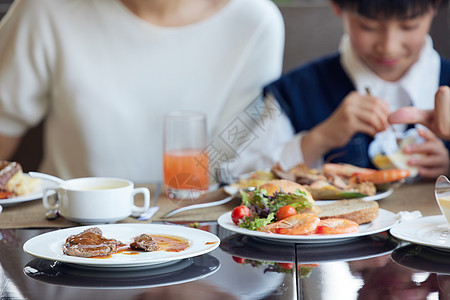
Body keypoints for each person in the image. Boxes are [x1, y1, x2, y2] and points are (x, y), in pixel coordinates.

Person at [0, 0, 284, 183]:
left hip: (195, 234)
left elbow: (234, 160)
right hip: (65, 236)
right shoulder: (46, 9)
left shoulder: (255, 21)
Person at [227, 0, 450, 180]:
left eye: (409, 26)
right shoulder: (296, 90)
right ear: (337, 5)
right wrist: (319, 138)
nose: (389, 46)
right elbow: (236, 176)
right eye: (369, 26)